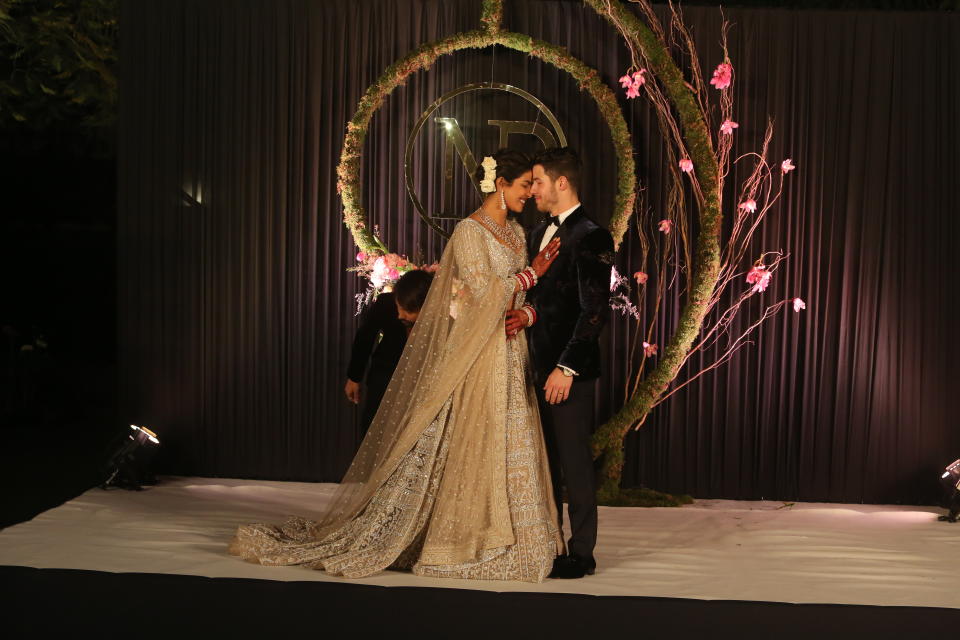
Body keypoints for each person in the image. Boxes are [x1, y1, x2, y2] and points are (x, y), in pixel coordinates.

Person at [229, 148, 565, 582]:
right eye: (524, 185)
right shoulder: (469, 232)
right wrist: (530, 275)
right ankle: (464, 538)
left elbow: (515, 298)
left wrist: (527, 307)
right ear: (501, 185)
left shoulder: (518, 234)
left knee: (512, 439)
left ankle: (521, 538)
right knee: (476, 438)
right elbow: (482, 295)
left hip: (510, 350)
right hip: (478, 355)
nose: (530, 193)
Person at [506, 147, 614, 579]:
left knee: (573, 462)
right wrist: (527, 315)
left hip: (568, 373)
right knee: (543, 463)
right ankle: (547, 543)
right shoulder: (536, 235)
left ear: (561, 183)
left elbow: (593, 312)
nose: (532, 191)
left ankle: (582, 552)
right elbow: (548, 302)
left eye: (538, 182)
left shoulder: (592, 236)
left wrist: (566, 368)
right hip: (533, 365)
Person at [344, 268, 434, 436]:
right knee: (375, 430)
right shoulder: (386, 302)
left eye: (409, 311)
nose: (402, 316)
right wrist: (354, 377)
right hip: (384, 375)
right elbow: (365, 337)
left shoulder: (438, 313)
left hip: (422, 383)